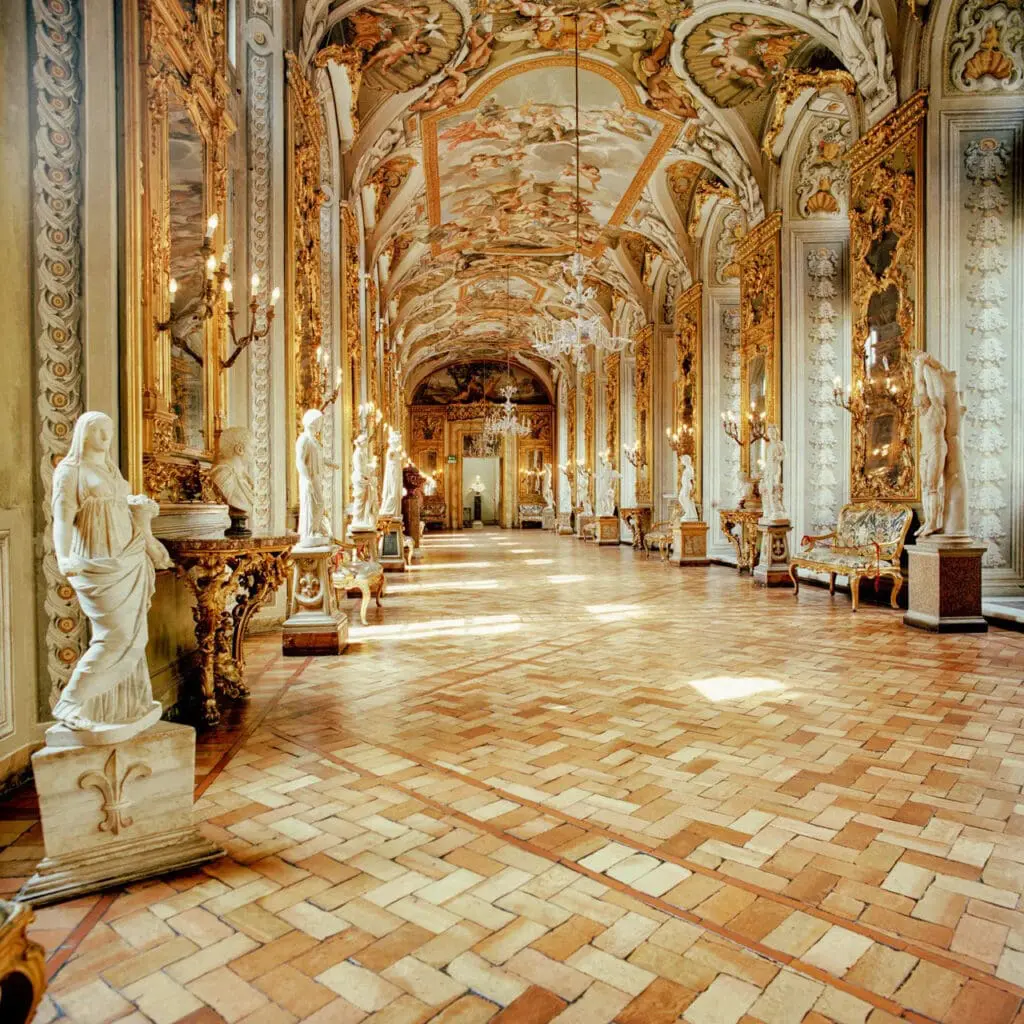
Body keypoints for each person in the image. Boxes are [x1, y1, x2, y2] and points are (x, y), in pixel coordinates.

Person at [50, 411, 171, 733]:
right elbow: (62, 519)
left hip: (126, 556)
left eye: (109, 430)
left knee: (134, 636)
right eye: (99, 431)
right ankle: (70, 703)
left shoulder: (109, 469)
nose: (106, 437)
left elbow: (116, 506)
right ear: (83, 435)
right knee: (114, 637)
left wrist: (140, 514)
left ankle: (120, 706)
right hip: (97, 561)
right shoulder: (70, 472)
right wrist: (63, 557)